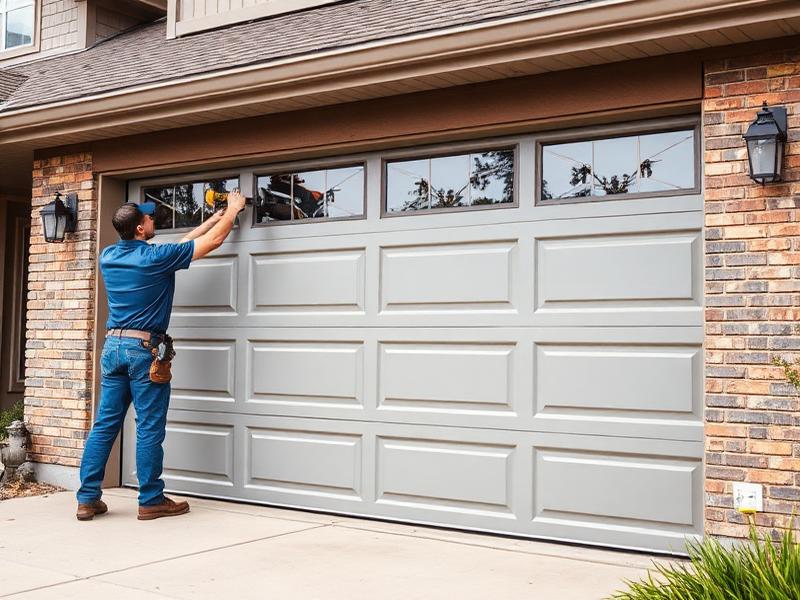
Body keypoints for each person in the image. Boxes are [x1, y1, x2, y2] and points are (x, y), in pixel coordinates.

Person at [75, 191, 247, 521]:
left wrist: (212, 219)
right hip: (143, 352)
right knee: (149, 427)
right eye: (150, 218)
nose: (154, 220)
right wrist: (235, 210)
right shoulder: (155, 258)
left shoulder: (109, 256)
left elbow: (177, 247)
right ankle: (151, 498)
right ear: (140, 228)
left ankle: (87, 498)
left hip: (113, 349)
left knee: (104, 426)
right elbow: (211, 244)